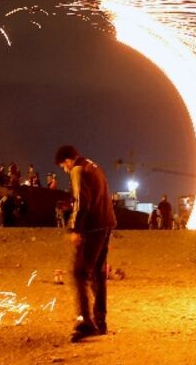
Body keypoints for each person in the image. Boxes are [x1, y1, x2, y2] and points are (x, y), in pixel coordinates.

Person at [55, 144, 115, 342]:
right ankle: (100, 322)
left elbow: (82, 201)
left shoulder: (78, 170)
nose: (65, 170)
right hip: (106, 223)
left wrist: (76, 229)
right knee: (97, 272)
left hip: (93, 227)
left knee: (79, 273)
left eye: (63, 166)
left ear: (68, 161)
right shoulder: (93, 166)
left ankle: (86, 322)